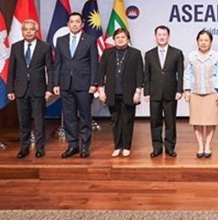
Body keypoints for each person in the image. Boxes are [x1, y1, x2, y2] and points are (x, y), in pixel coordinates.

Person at [53, 12, 99, 158]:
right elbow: (57, 63)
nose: (74, 24)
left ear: (82, 24)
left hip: (84, 84)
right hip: (66, 84)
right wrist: (56, 83)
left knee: (85, 116)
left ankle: (85, 146)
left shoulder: (90, 40)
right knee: (69, 117)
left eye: (77, 21)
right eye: (71, 21)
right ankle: (72, 145)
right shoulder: (61, 40)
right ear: (68, 24)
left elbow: (94, 63)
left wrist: (94, 83)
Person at [6, 20, 53, 159]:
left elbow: (50, 69)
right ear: (22, 31)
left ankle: (40, 148)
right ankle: (24, 148)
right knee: (23, 121)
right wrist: (10, 89)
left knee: (39, 120)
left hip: (38, 89)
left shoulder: (44, 47)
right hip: (20, 90)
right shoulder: (16, 47)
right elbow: (11, 70)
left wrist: (49, 88)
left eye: (31, 29)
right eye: (25, 29)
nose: (28, 31)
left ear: (36, 31)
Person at [97, 28, 144, 158]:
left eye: (123, 37)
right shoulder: (107, 53)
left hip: (129, 93)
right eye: (118, 37)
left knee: (128, 120)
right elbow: (100, 72)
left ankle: (127, 146)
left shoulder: (135, 53)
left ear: (128, 39)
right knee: (115, 121)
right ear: (114, 39)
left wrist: (138, 91)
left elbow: (139, 73)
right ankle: (117, 146)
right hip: (112, 92)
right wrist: (100, 89)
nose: (120, 39)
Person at [183, 29, 218, 158]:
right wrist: (186, 90)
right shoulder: (191, 56)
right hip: (195, 92)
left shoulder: (216, 56)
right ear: (197, 42)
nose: (203, 42)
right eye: (201, 40)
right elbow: (188, 74)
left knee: (211, 120)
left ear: (211, 42)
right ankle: (200, 145)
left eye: (206, 40)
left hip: (211, 92)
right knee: (197, 120)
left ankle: (208, 145)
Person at [144, 25, 184, 158]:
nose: (161, 37)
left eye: (164, 35)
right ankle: (156, 147)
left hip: (171, 92)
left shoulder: (177, 53)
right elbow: (147, 75)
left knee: (170, 122)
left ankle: (170, 147)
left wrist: (179, 90)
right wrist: (146, 92)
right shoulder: (149, 54)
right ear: (155, 37)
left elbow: (180, 74)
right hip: (154, 93)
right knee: (155, 121)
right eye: (159, 35)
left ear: (168, 36)